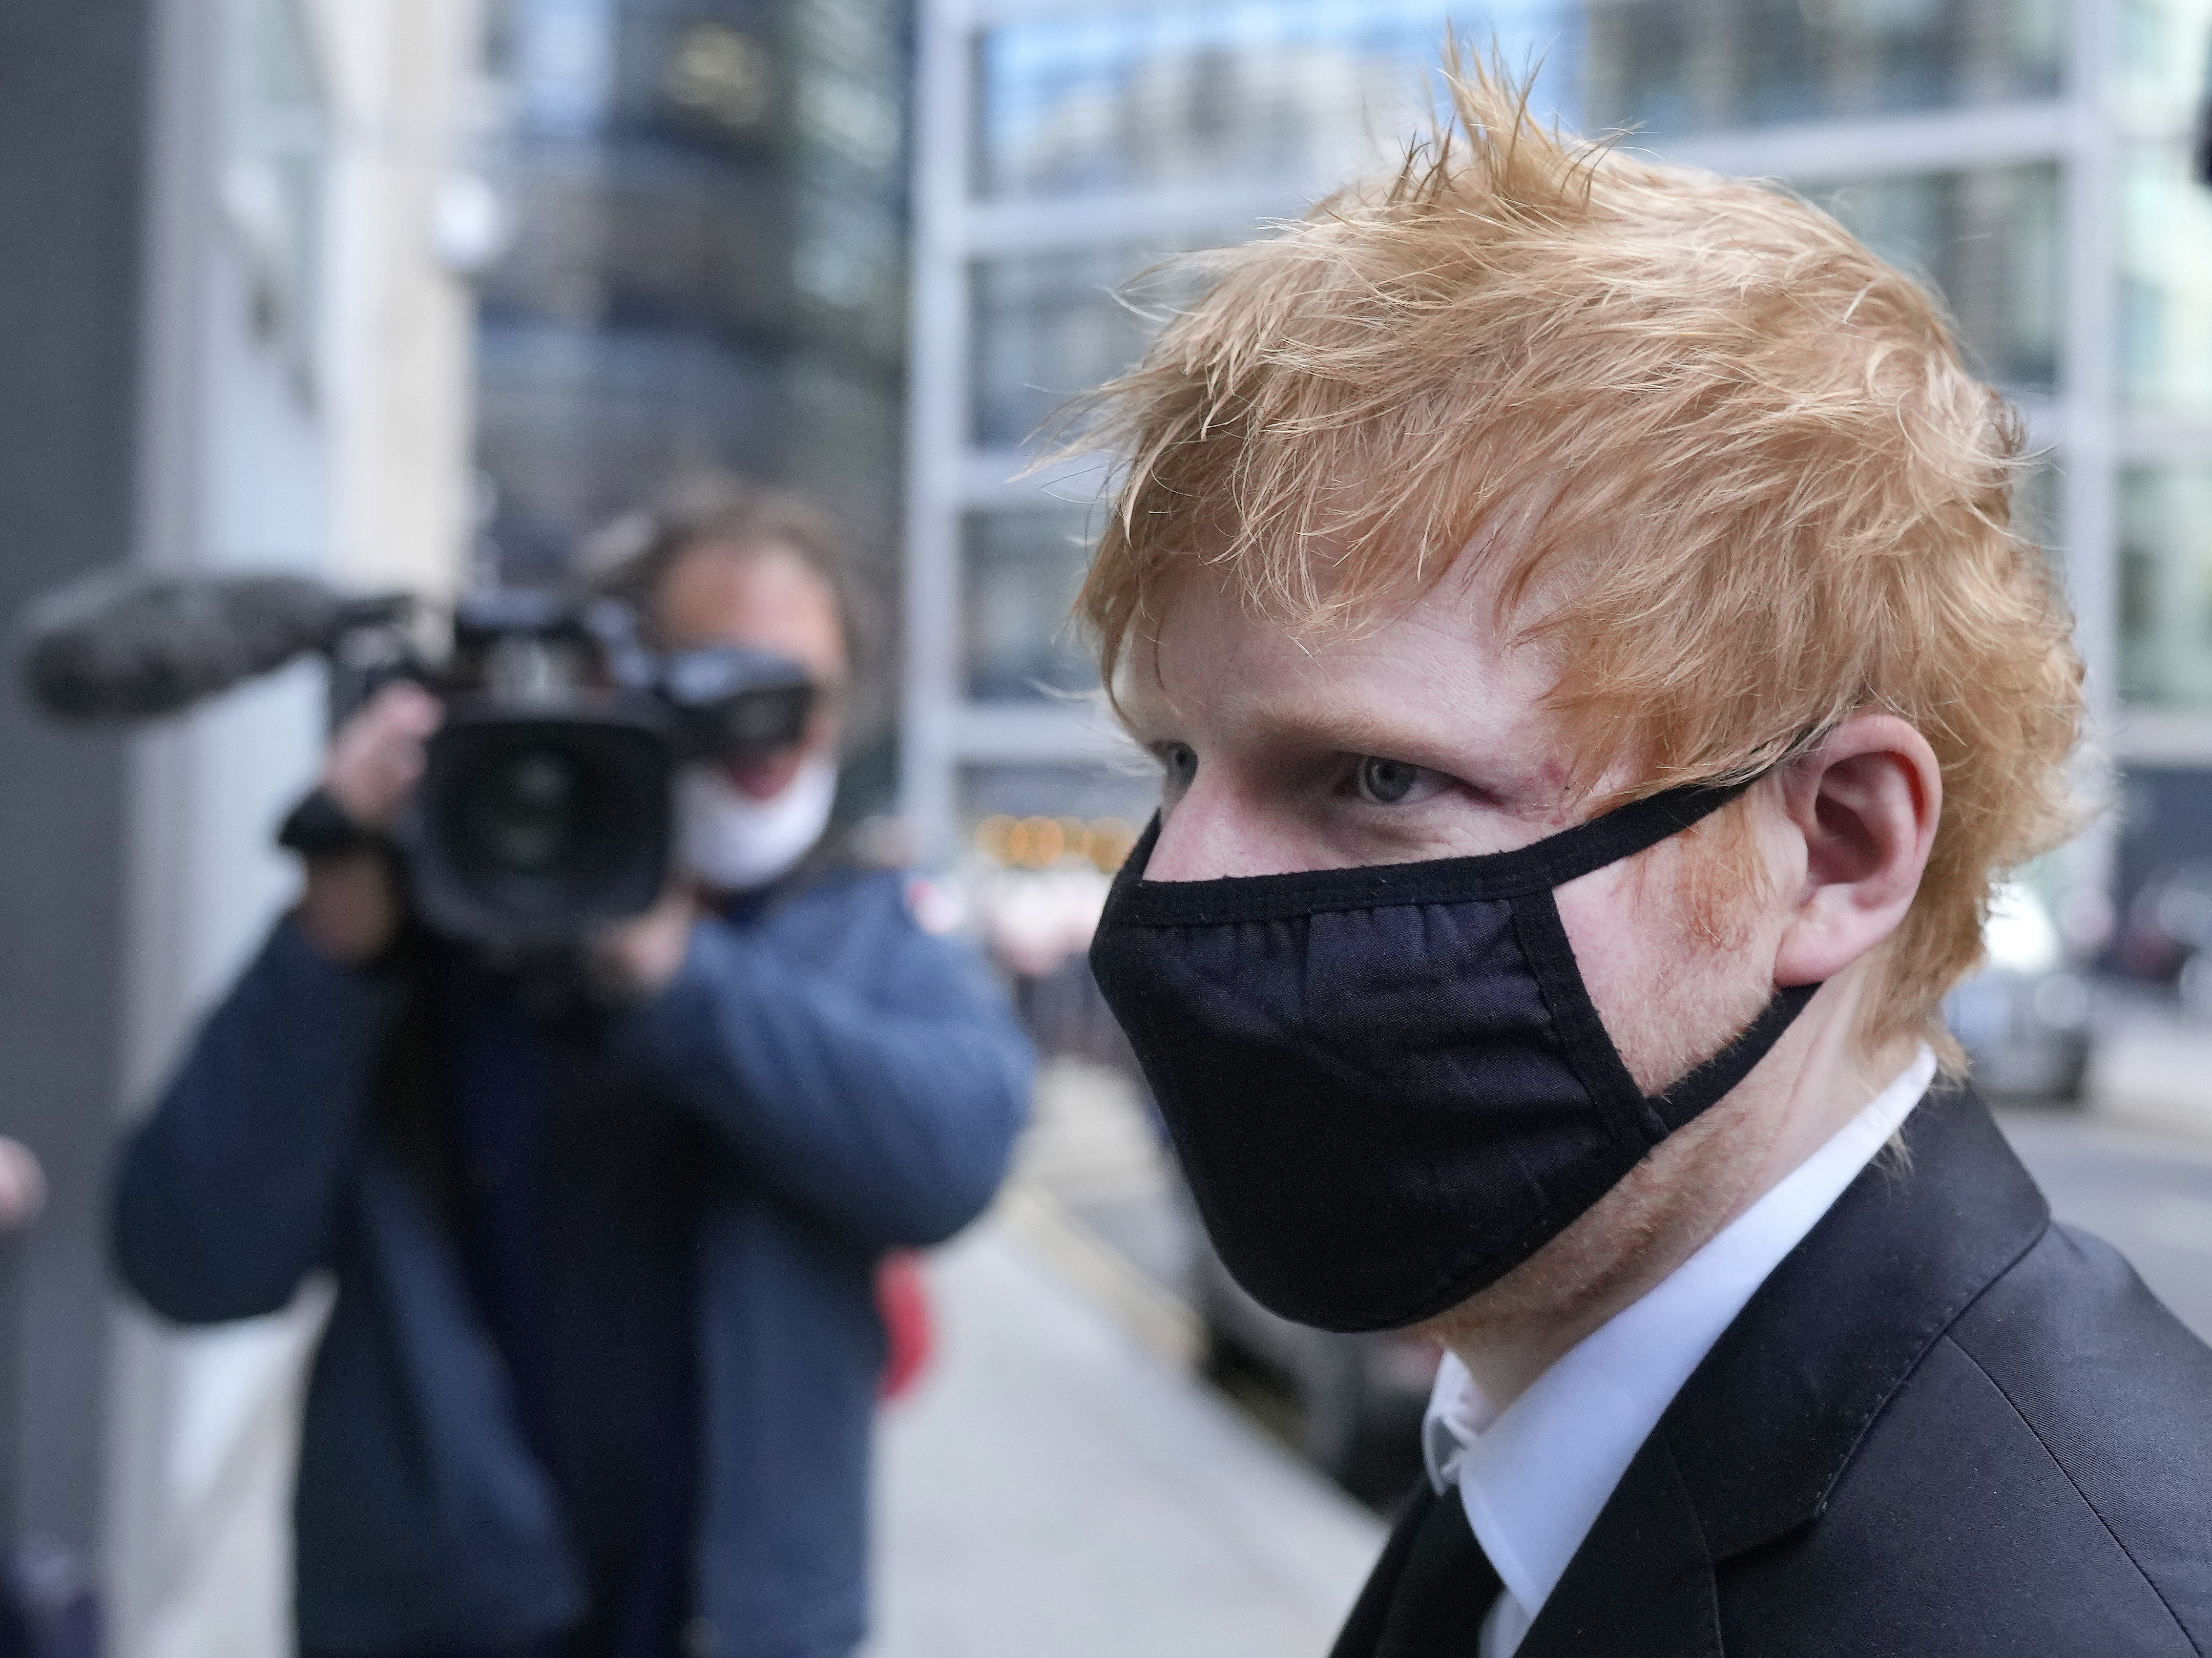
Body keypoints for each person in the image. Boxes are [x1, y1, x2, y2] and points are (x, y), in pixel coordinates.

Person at [1074, 65, 2212, 1658]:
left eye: (1378, 776)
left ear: (1834, 845)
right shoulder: (1549, 1452)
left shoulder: (2068, 1612)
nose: (1172, 890)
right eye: (1174, 763)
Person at [112, 478, 1032, 1658]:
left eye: (800, 692)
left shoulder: (864, 927)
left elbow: (953, 1160)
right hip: (433, 1622)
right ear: (612, 680)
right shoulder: (426, 927)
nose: (767, 736)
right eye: (719, 682)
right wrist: (331, 936)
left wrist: (672, 971)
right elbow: (188, 1259)